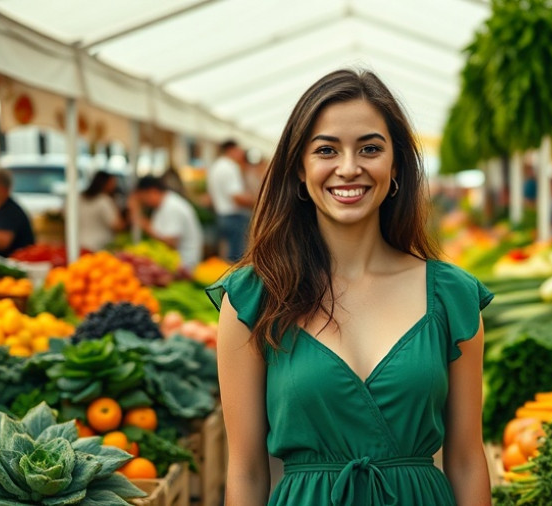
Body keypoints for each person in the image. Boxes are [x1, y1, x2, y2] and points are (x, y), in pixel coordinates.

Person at [206, 69, 492, 506]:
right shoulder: (253, 299)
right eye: (326, 150)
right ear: (300, 169)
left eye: (370, 148)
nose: (348, 168)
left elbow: (468, 461)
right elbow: (245, 472)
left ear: (395, 165)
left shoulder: (451, 297)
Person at [129, 176, 203, 270]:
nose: (144, 202)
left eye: (143, 198)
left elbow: (171, 243)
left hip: (184, 265)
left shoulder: (172, 207)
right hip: (174, 262)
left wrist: (145, 226)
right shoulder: (163, 204)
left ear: (153, 191)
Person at [209, 139, 255, 262]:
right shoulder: (230, 167)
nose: (241, 153)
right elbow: (237, 197)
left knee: (228, 254)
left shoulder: (216, 166)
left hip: (221, 215)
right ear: (231, 150)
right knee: (237, 257)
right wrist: (257, 203)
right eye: (238, 150)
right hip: (234, 217)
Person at [78, 170, 126, 251]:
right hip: (99, 246)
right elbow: (116, 225)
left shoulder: (79, 198)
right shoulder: (104, 200)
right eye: (112, 183)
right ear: (105, 183)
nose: (115, 186)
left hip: (79, 242)